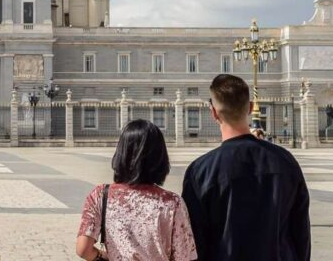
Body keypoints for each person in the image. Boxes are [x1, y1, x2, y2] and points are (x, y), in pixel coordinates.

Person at [182, 74, 311, 261]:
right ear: (250, 107)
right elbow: (300, 231)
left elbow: (195, 241)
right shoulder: (285, 161)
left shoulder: (201, 171)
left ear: (213, 112)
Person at [76, 120, 196, 261]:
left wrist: (103, 256)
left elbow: (83, 249)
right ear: (160, 157)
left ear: (121, 153)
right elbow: (184, 256)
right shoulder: (172, 203)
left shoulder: (101, 195)